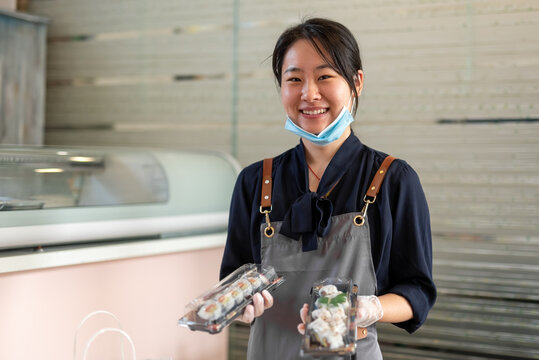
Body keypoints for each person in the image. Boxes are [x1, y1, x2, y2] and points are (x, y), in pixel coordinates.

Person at [220, 18, 436, 359]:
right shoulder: (254, 181)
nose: (309, 94)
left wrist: (371, 308)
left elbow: (418, 292)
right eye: (294, 79)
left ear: (356, 82)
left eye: (324, 76)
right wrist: (238, 305)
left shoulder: (393, 178)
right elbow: (234, 283)